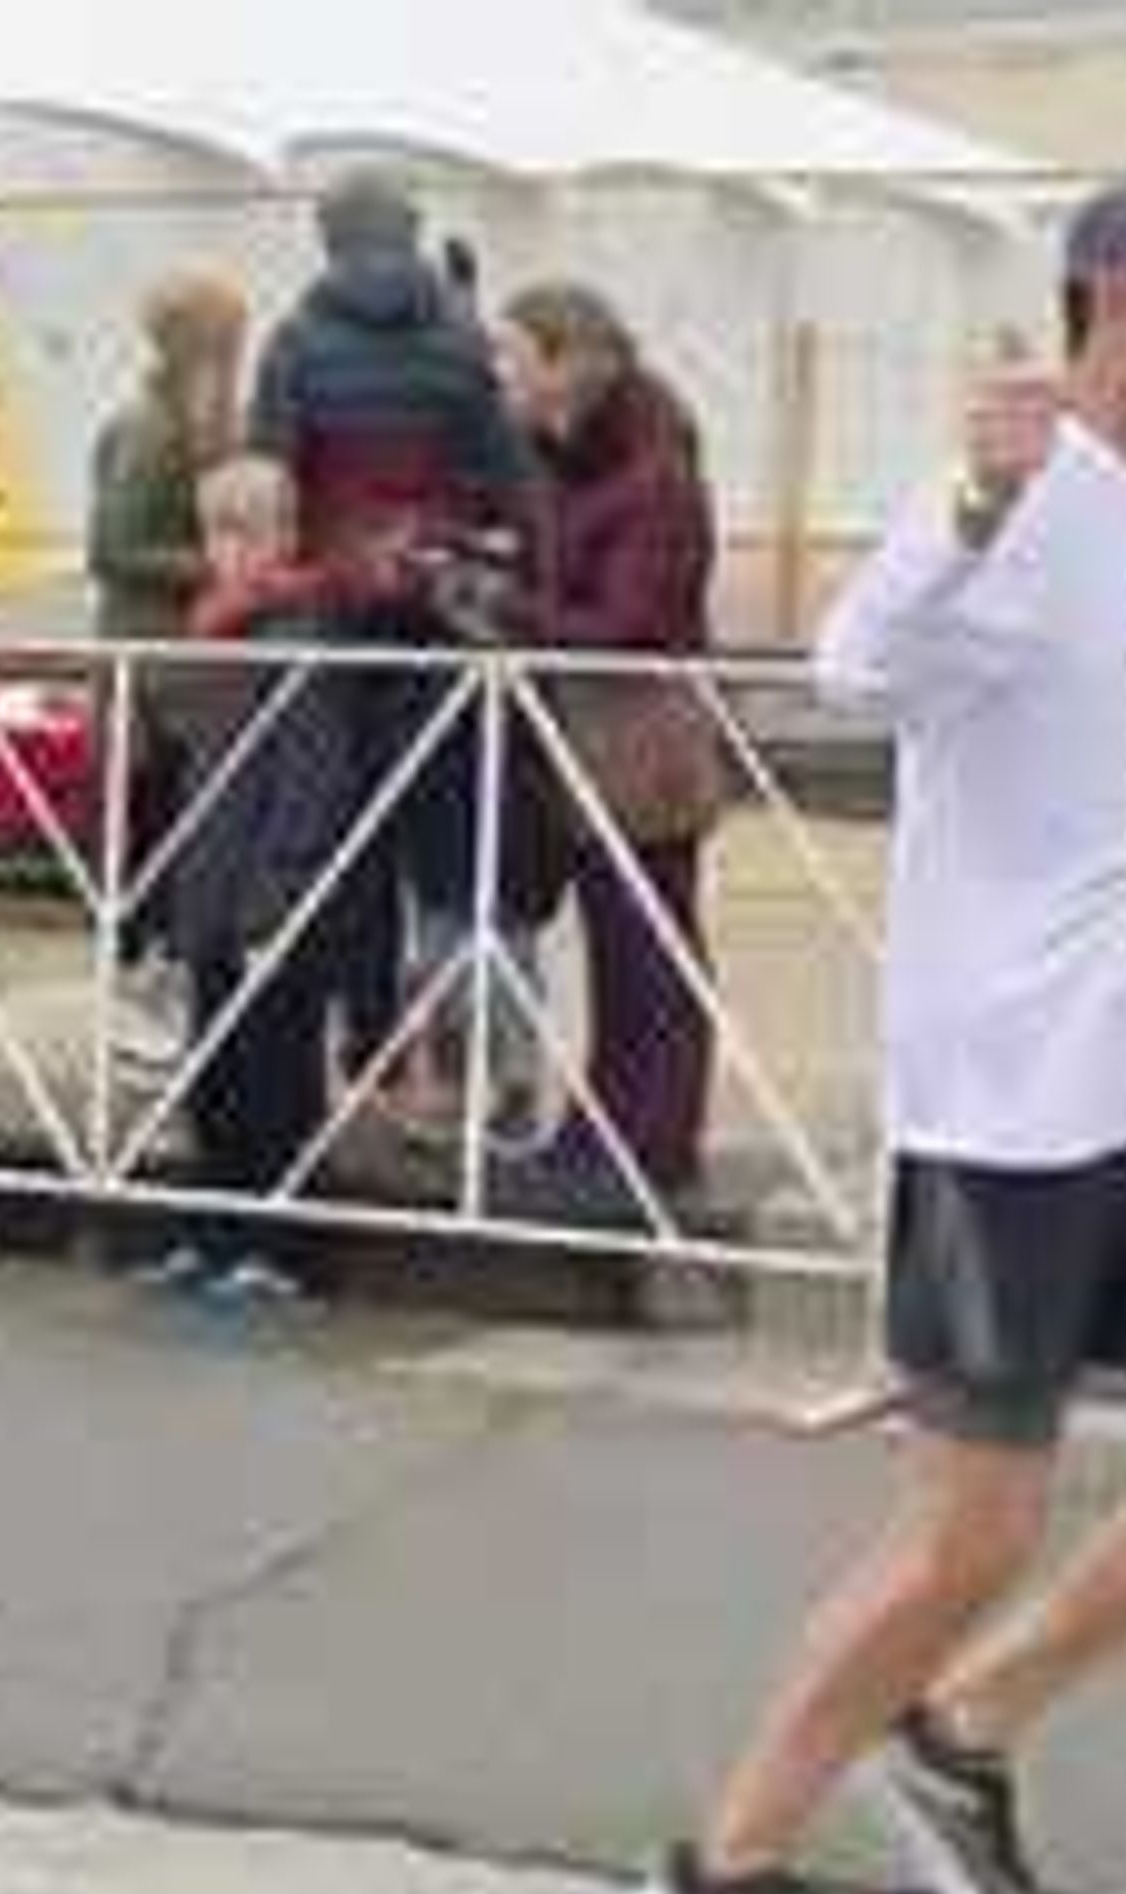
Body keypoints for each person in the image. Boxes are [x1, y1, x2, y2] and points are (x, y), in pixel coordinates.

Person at [628, 165, 1126, 1894]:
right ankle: (721, 1879)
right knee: (965, 1534)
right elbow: (865, 669)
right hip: (1011, 1098)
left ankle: (967, 1731)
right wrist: (965, 501)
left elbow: (1080, 747)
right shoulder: (1027, 493)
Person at [244, 168, 534, 1111]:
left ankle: (371, 1048)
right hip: (442, 616)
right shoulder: (459, 340)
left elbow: (266, 486)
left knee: (347, 841)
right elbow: (507, 482)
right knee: (447, 846)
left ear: (328, 238)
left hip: (335, 621)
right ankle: (460, 1066)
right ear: (410, 232)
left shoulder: (295, 341)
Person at [488, 280, 724, 1224]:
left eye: (512, 353)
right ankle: (610, 1131)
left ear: (564, 361)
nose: (497, 371)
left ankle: (652, 1141)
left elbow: (631, 624)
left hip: (640, 734)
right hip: (587, 730)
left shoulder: (652, 474)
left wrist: (510, 607)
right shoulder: (566, 460)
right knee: (619, 945)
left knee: (649, 946)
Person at [143, 452, 361, 1306]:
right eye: (215, 531)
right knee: (215, 1072)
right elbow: (191, 760)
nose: (228, 549)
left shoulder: (298, 638)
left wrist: (281, 890)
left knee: (279, 1075)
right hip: (212, 883)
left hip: (269, 895)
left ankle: (282, 1242)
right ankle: (216, 1226)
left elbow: (311, 784)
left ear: (284, 535)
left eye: (246, 530)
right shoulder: (219, 630)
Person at [88, 273, 251, 1072]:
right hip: (153, 672)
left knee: (174, 836)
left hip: (183, 670)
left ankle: (159, 993)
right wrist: (221, 567)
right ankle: (134, 1000)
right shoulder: (151, 428)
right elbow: (112, 547)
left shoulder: (197, 422)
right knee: (152, 833)